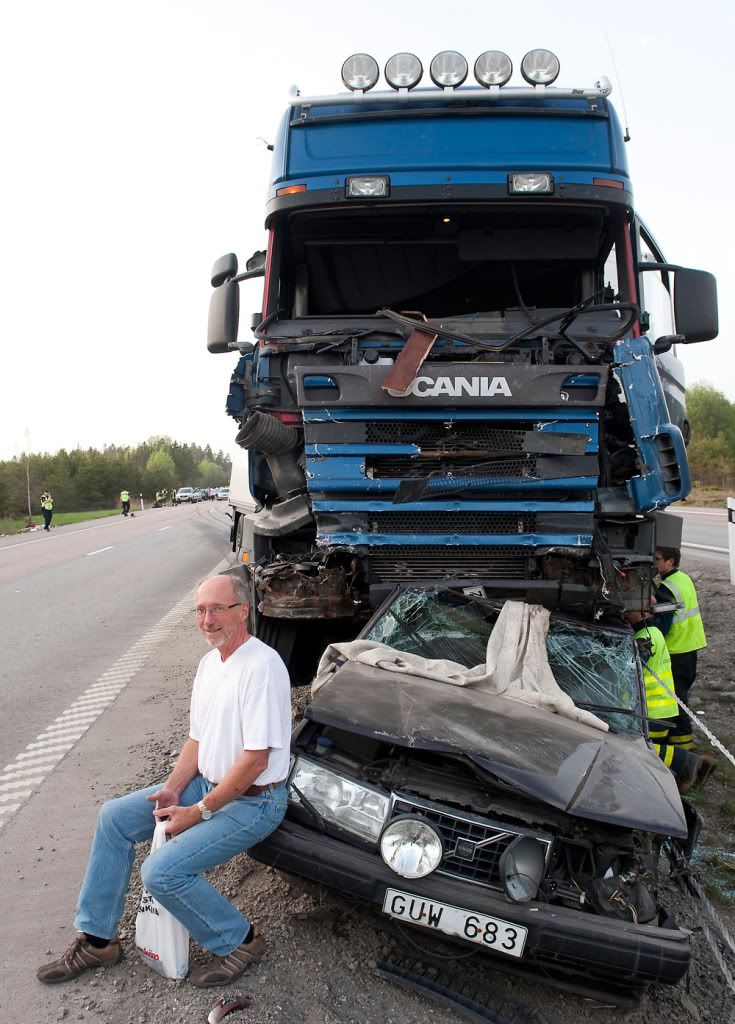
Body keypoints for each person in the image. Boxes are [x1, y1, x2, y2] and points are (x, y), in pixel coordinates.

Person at [36, 573, 291, 988]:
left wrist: (198, 812)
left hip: (254, 803)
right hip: (206, 785)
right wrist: (174, 788)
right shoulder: (211, 664)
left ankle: (239, 940)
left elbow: (256, 761)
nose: (207, 620)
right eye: (201, 610)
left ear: (242, 611)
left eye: (218, 609)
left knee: (161, 872)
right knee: (114, 817)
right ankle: (99, 939)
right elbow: (197, 737)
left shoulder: (262, 667)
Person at [629, 611, 715, 793]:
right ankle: (690, 763)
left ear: (644, 612)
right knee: (644, 749)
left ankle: (689, 763)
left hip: (652, 713)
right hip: (659, 711)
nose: (627, 613)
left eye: (632, 610)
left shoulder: (647, 635)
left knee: (634, 748)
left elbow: (630, 665)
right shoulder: (653, 632)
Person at [653, 547, 707, 753]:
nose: (654, 563)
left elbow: (662, 626)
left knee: (676, 701)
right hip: (690, 646)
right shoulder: (683, 579)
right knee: (680, 697)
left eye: (658, 559)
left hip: (675, 650)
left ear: (670, 561)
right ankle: (680, 741)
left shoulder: (667, 588)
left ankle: (685, 749)